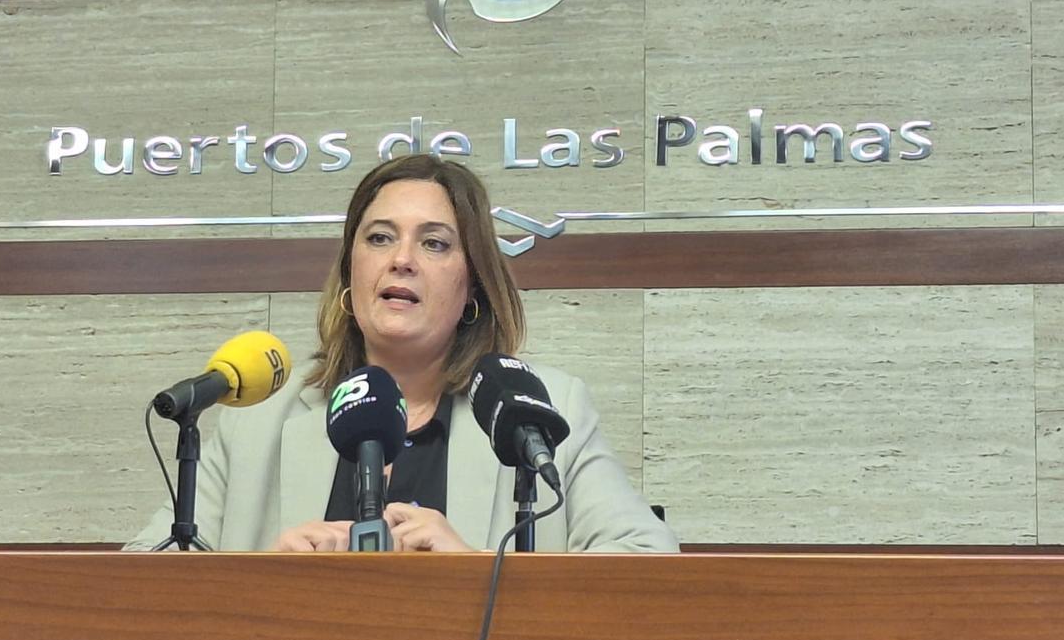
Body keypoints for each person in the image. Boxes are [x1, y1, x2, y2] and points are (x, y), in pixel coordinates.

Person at [126, 154, 678, 552]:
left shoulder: (545, 410)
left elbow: (648, 565)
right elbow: (142, 581)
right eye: (380, 238)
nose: (402, 260)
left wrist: (477, 577)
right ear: (349, 274)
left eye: (434, 242)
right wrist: (267, 583)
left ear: (472, 287)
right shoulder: (257, 422)